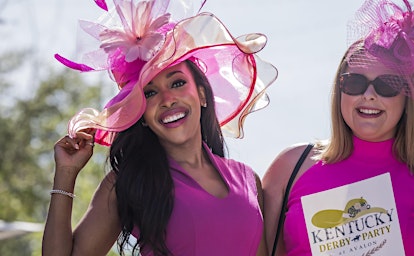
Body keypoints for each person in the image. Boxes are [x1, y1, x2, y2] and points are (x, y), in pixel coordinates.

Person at [42, 0, 277, 255]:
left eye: (177, 83)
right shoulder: (128, 182)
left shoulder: (249, 180)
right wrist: (66, 173)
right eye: (150, 93)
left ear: (202, 94)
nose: (167, 99)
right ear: (140, 113)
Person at [262, 0, 414, 255]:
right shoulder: (290, 167)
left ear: (409, 97)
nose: (369, 95)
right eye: (354, 82)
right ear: (339, 90)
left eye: (387, 84)